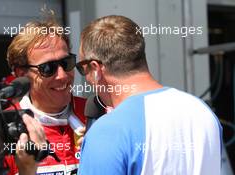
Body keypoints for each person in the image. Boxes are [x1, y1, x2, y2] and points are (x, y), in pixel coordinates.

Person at [76, 15, 222, 175]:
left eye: (82, 68)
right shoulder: (202, 112)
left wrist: (96, 146)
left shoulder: (107, 131)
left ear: (96, 69)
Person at [4, 19, 86, 175]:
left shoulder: (97, 114)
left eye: (66, 62)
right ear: (22, 74)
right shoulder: (5, 129)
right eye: (47, 68)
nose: (62, 76)